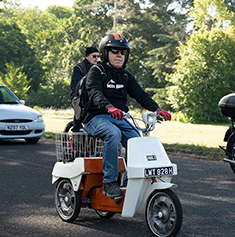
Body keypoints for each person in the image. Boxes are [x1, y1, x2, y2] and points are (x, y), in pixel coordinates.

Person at [83, 33, 171, 199]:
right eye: (114, 51)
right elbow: (94, 93)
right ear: (104, 53)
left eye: (123, 52)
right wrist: (109, 107)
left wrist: (157, 109)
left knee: (136, 141)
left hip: (118, 117)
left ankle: (133, 180)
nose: (119, 55)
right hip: (95, 118)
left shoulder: (125, 75)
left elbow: (141, 95)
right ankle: (109, 183)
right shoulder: (97, 71)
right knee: (112, 133)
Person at [70, 46, 99, 131]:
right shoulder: (79, 68)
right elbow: (74, 85)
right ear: (87, 57)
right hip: (81, 97)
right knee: (80, 113)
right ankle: (76, 134)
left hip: (95, 97)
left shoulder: (100, 68)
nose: (96, 58)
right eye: (94, 56)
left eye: (98, 56)